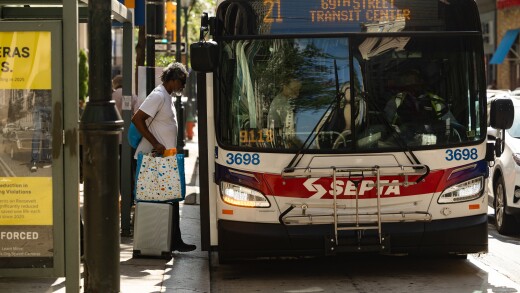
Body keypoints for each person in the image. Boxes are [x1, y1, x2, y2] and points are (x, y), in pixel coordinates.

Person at [131, 62, 196, 252]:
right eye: (182, 81)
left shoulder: (166, 96)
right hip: (154, 158)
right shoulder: (158, 95)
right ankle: (170, 241)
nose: (183, 86)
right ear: (173, 79)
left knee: (172, 197)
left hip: (164, 158)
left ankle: (174, 240)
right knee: (164, 199)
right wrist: (156, 143)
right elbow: (137, 119)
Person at [267, 78, 302, 147]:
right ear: (285, 87)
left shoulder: (283, 100)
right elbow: (289, 132)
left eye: (298, 90)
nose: (297, 94)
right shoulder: (281, 104)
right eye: (294, 90)